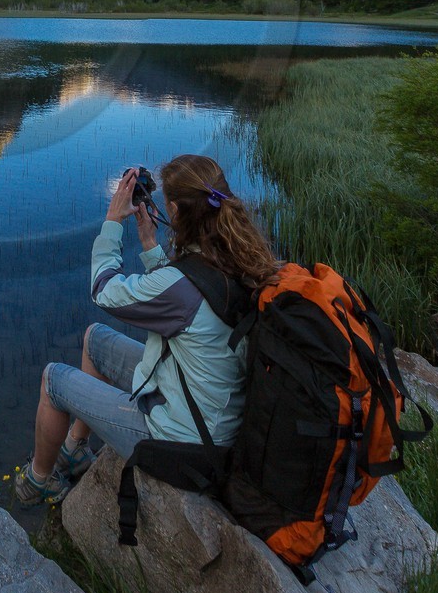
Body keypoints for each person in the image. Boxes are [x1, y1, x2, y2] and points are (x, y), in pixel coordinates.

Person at [14, 154, 280, 505]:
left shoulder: (183, 283)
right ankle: (75, 448)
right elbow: (193, 298)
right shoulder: (237, 254)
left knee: (53, 380)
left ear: (174, 210)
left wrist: (111, 221)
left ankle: (38, 481)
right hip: (212, 412)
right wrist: (151, 246)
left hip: (186, 444)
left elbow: (104, 291)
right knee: (95, 338)